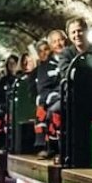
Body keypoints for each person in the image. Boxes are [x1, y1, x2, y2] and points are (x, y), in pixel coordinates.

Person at [35, 30, 66, 158]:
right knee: (54, 110)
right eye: (54, 42)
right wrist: (56, 95)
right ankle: (54, 147)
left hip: (76, 94)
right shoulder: (45, 66)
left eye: (60, 40)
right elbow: (43, 88)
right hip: (57, 97)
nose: (58, 44)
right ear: (51, 45)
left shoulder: (74, 57)